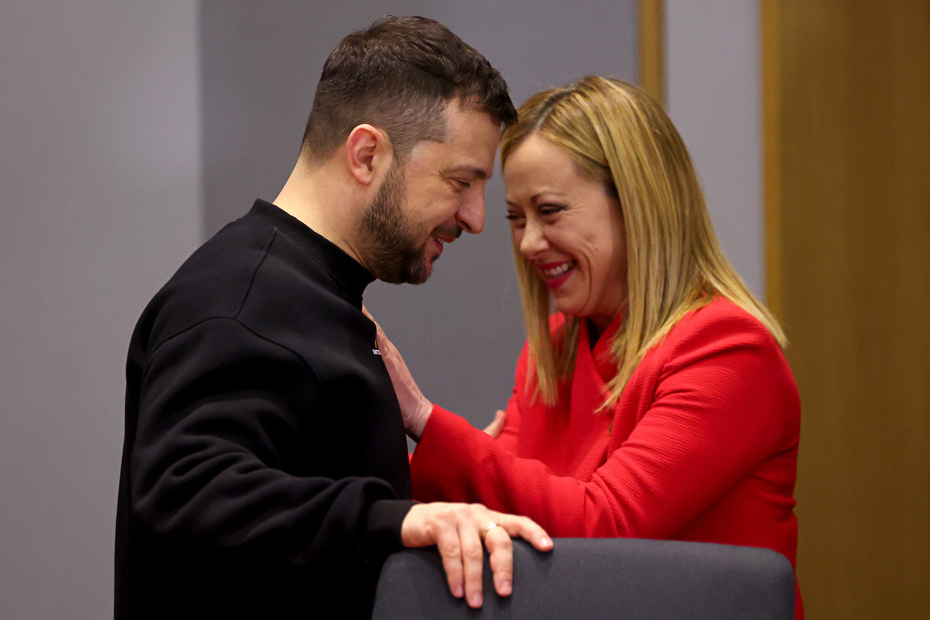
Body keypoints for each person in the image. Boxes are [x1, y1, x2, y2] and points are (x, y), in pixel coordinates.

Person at [115, 16, 552, 620]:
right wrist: (393, 520)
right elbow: (186, 492)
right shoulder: (240, 302)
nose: (476, 218)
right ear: (367, 153)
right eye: (461, 182)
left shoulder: (310, 295)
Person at [378, 76, 803, 617]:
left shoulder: (729, 351)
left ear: (639, 203)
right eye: (516, 218)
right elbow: (500, 506)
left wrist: (422, 417)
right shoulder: (555, 348)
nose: (529, 242)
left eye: (550, 211)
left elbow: (605, 527)